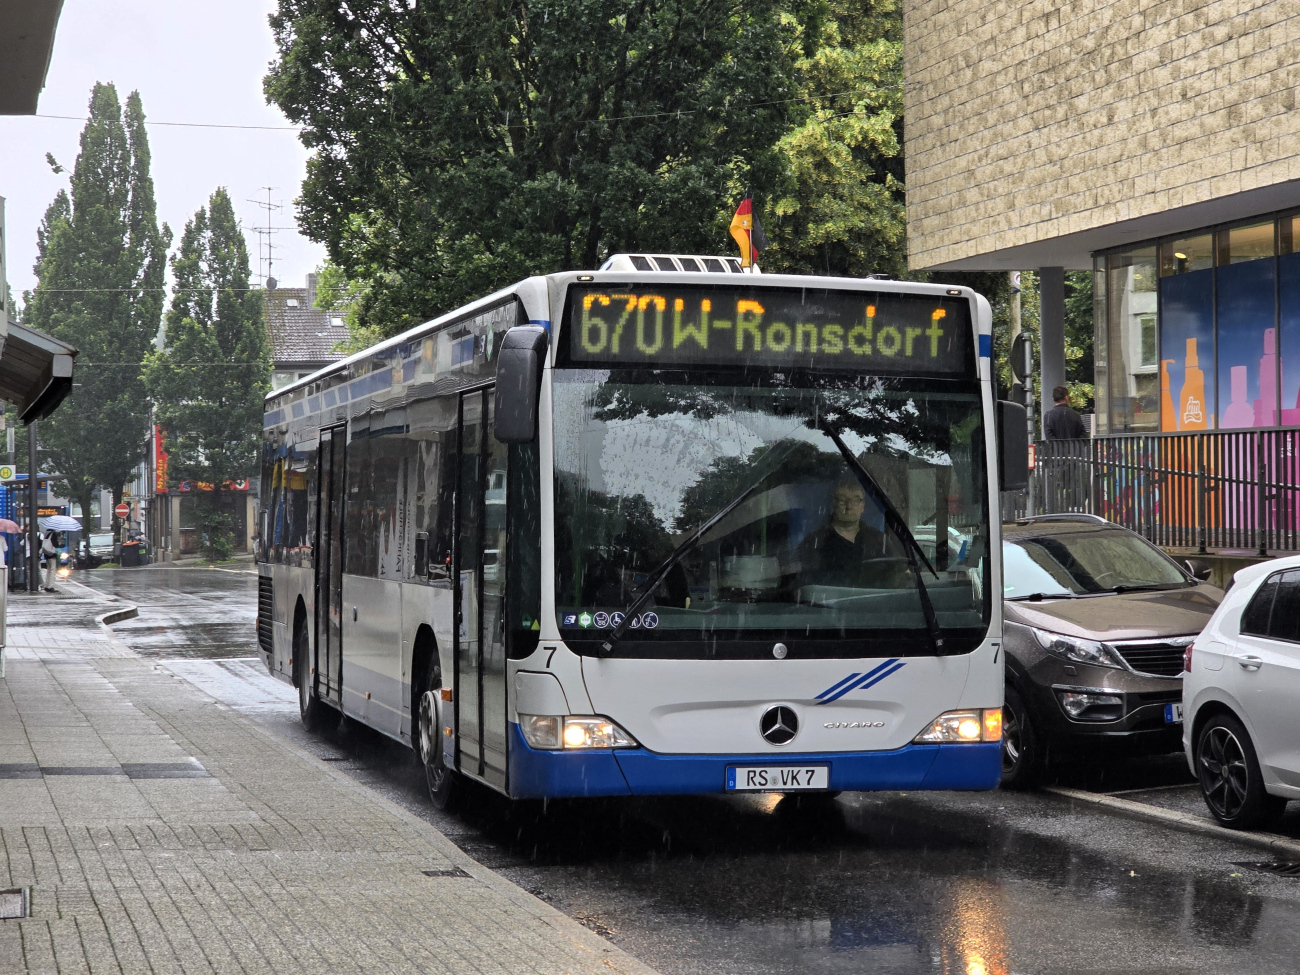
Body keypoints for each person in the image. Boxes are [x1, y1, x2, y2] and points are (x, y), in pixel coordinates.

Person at [792, 476, 909, 590]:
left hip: (873, 604)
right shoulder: (815, 542)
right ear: (833, 504)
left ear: (863, 506)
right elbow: (800, 584)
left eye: (856, 500)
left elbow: (899, 575)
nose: (849, 506)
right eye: (843, 500)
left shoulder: (879, 540)